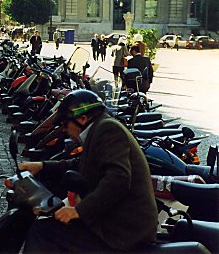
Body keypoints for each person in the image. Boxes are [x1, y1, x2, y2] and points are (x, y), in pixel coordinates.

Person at [19, 90, 158, 253]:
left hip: (124, 230)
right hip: (116, 222)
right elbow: (80, 164)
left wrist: (79, 211)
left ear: (82, 118)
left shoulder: (108, 129)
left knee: (43, 230)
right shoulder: (99, 128)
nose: (64, 130)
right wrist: (42, 166)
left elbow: (118, 179)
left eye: (65, 124)